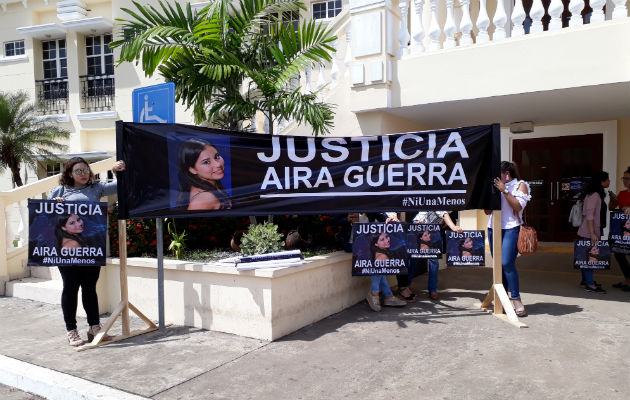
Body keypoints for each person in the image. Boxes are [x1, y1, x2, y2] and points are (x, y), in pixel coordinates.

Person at [50, 156, 126, 346]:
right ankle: (71, 330)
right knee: (70, 288)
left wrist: (117, 172)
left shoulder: (96, 188)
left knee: (90, 288)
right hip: (67, 250)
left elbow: (119, 186)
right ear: (69, 173)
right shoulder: (59, 191)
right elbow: (47, 216)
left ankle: (94, 328)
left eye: (85, 170)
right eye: (78, 171)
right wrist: (55, 203)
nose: (83, 174)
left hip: (91, 247)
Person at [486, 161, 531, 317]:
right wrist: (490, 193)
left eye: (497, 176)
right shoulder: (494, 186)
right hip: (493, 227)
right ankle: (502, 300)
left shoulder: (520, 185)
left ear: (506, 174)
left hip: (511, 228)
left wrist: (504, 191)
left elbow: (518, 207)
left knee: (506, 263)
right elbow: (487, 212)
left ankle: (516, 299)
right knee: (498, 266)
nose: (495, 179)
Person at [411, 210, 462, 300]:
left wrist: (449, 225)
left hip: (434, 229)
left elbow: (445, 215)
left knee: (434, 260)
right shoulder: (440, 199)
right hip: (419, 225)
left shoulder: (451, 202)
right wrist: (453, 227)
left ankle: (432, 290)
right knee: (413, 258)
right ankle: (405, 286)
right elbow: (444, 214)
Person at [577, 170, 610, 294]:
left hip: (591, 231)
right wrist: (592, 233)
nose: (609, 182)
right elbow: (590, 215)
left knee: (586, 257)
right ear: (601, 182)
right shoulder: (595, 195)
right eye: (607, 179)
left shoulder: (593, 194)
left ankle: (586, 281)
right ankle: (590, 284)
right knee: (591, 258)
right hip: (590, 231)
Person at [178, 138, 232, 210]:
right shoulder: (204, 199)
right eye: (206, 162)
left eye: (217, 156)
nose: (218, 164)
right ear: (192, 169)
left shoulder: (209, 184)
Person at [365, 232, 407, 311]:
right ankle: (374, 293)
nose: (387, 240)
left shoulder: (381, 251)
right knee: (379, 271)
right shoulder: (382, 256)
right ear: (376, 244)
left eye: (386, 237)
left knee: (381, 273)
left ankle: (388, 295)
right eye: (382, 239)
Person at [609, 166, 630, 292]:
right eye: (624, 178)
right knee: (619, 254)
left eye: (627, 178)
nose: (624, 181)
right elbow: (611, 208)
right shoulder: (622, 194)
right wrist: (612, 200)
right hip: (622, 230)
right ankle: (627, 279)